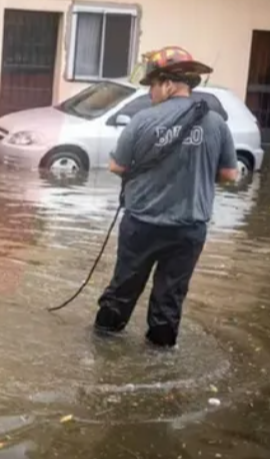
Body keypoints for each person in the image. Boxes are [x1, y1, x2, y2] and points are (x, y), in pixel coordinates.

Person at [93, 47, 240, 348]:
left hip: (142, 225)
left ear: (169, 84)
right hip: (189, 229)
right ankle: (160, 366)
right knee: (169, 302)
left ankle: (101, 350)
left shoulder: (141, 120)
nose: (150, 94)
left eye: (153, 86)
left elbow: (116, 166)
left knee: (121, 292)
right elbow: (230, 175)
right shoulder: (216, 124)